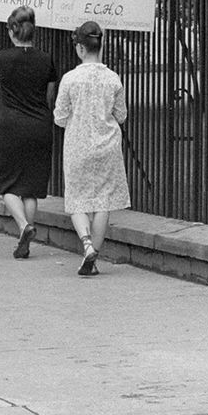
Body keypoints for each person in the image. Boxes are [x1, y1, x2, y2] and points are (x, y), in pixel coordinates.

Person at [53, 21, 131, 276]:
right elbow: (121, 114)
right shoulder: (113, 78)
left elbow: (60, 116)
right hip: (107, 146)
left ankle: (86, 245)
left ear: (80, 48)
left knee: (77, 199)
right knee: (103, 201)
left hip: (78, 145)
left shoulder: (70, 79)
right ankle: (93, 257)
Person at [0, 6, 58, 259]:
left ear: (12, 30)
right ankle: (26, 242)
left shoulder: (2, 57)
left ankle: (24, 226)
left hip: (11, 124)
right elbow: (49, 94)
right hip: (40, 125)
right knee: (31, 187)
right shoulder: (46, 59)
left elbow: (0, 85)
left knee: (7, 184)